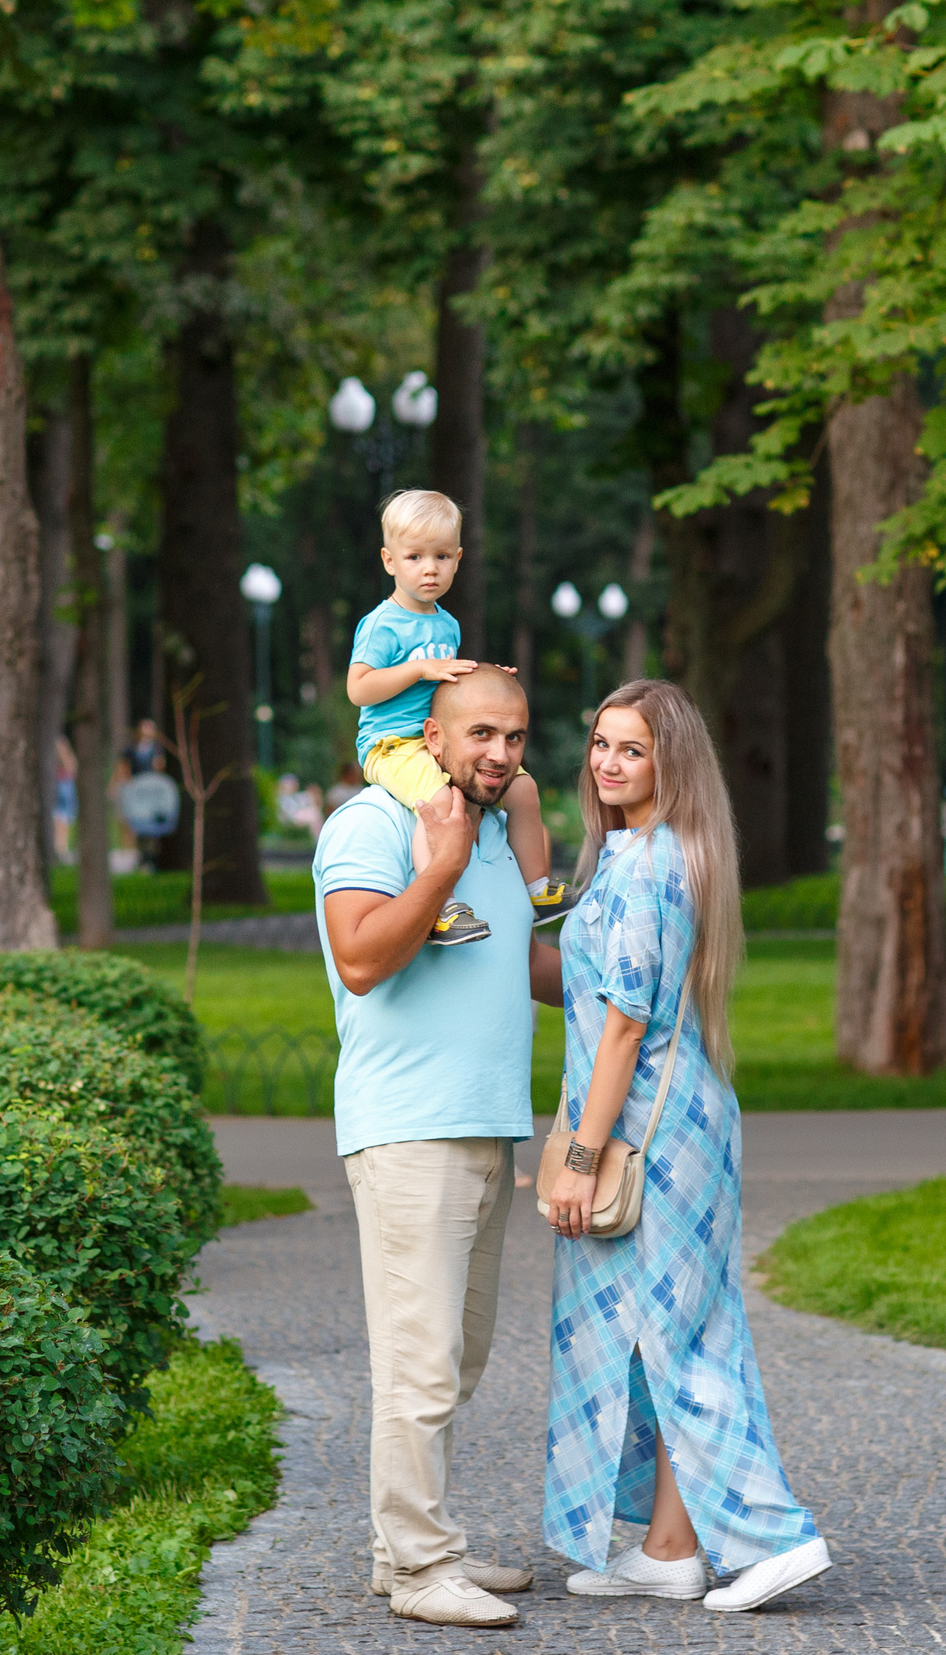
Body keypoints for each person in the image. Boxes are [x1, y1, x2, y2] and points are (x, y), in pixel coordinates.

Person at [540, 679, 829, 1614]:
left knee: (683, 1341)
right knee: (660, 1338)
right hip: (680, 1125)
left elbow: (625, 1027)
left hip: (653, 1138)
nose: (608, 762)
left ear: (671, 762)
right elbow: (582, 988)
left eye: (632, 748)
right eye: (600, 743)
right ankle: (670, 1547)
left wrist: (580, 1158)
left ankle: (772, 1537)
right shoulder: (641, 855)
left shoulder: (654, 863)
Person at [314, 664, 565, 1628]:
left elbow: (527, 963)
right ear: (433, 736)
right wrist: (440, 869)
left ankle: (405, 1547)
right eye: (481, 736)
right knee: (418, 1365)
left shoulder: (495, 833)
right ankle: (422, 1571)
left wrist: (635, 957)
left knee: (456, 1359)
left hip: (487, 1123)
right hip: (409, 1127)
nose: (500, 754)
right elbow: (364, 958)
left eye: (515, 736)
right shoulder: (373, 823)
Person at [346, 488, 574, 947]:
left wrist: (486, 678)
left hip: (439, 738)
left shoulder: (446, 624)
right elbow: (358, 687)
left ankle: (537, 891)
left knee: (524, 787)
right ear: (390, 561)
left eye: (442, 556)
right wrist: (418, 669)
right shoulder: (382, 624)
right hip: (391, 743)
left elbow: (450, 687)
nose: (429, 568)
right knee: (439, 803)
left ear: (458, 559)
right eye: (414, 557)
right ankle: (440, 907)